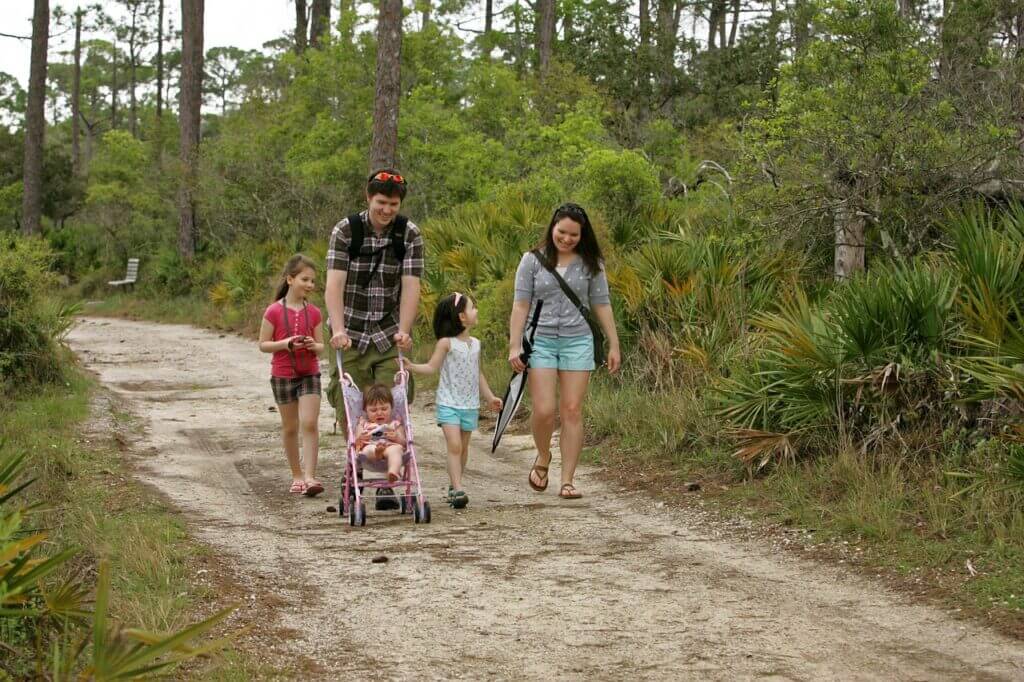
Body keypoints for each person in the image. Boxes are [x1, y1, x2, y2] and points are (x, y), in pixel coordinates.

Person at [508, 203, 621, 500]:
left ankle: (568, 480)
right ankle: (543, 457)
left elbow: (602, 303)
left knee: (571, 409)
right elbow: (520, 305)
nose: (567, 239)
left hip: (578, 340)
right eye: (562, 232)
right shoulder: (531, 261)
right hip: (541, 339)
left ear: (582, 235)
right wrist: (515, 345)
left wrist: (613, 343)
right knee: (544, 410)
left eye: (573, 234)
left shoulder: (591, 263)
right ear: (552, 227)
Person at [325, 169, 424, 509]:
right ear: (368, 198)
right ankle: (354, 464)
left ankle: (387, 478)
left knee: (392, 400)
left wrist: (405, 329)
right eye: (381, 203)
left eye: (393, 204)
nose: (386, 210)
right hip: (349, 332)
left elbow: (412, 286)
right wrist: (337, 329)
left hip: (386, 332)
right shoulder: (346, 230)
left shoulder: (409, 234)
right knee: (349, 401)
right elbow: (334, 284)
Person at [407, 293, 503, 509]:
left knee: (464, 447)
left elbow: (478, 373)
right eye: (473, 307)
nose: (476, 311)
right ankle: (459, 488)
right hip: (448, 403)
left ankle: (454, 483)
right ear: (461, 316)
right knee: (455, 445)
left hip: (470, 404)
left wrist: (490, 397)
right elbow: (432, 367)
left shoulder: (476, 344)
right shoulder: (446, 343)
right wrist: (412, 366)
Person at [258, 254, 326, 497]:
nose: (309, 285)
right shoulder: (273, 311)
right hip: (283, 375)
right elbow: (263, 344)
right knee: (290, 427)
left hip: (310, 374)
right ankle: (296, 475)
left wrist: (311, 345)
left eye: (312, 281)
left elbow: (321, 346)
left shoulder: (315, 312)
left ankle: (310, 476)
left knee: (309, 423)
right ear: (290, 279)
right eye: (304, 279)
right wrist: (285, 343)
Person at [354, 383, 407, 483]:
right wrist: (361, 438)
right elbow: (356, 441)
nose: (379, 413)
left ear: (391, 408)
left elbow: (404, 442)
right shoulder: (364, 424)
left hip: (390, 446)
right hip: (371, 447)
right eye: (373, 410)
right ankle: (378, 453)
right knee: (367, 450)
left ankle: (393, 472)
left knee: (397, 450)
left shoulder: (395, 424)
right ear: (366, 411)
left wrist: (396, 437)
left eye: (384, 409)